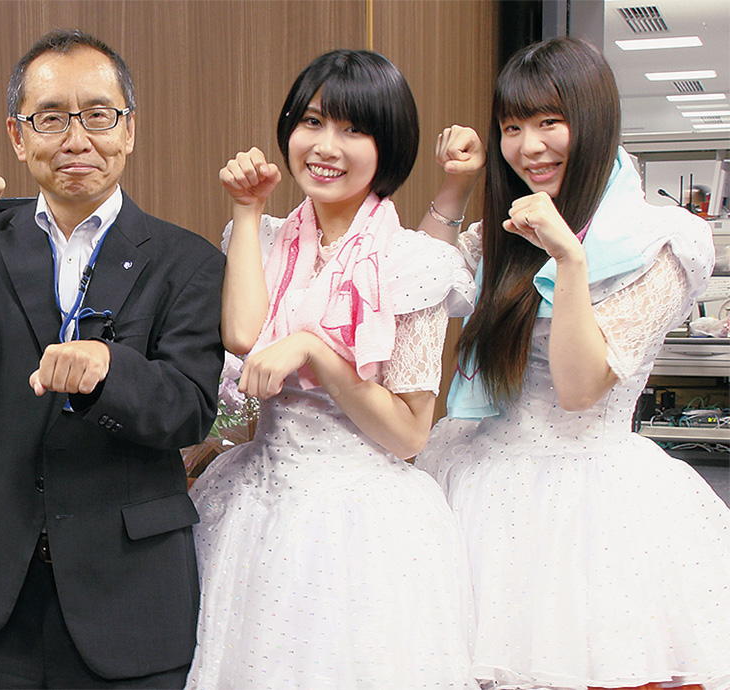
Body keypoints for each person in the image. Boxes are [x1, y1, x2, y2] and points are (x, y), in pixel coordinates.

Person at [0, 29, 225, 689]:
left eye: (99, 115)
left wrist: (109, 370)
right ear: (18, 136)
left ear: (129, 129)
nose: (77, 138)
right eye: (51, 118)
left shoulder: (188, 261)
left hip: (130, 590)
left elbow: (191, 410)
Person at [416, 37, 730, 690]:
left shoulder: (660, 240)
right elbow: (418, 288)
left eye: (549, 122)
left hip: (592, 501)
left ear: (593, 121)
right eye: (512, 127)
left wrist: (569, 257)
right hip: (473, 476)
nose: (529, 146)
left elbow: (581, 387)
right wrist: (454, 186)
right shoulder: (505, 232)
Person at [184, 50, 479, 689]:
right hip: (256, 503)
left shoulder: (413, 262)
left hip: (361, 522)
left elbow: (409, 434)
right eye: (312, 122)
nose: (325, 146)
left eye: (353, 129)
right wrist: (244, 208)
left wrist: (316, 350)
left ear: (388, 147)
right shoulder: (262, 237)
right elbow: (242, 338)